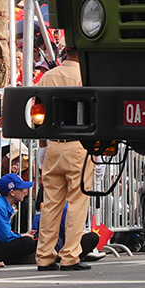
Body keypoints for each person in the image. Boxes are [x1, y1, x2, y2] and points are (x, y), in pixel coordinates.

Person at [34, 43, 94, 272]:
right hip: (79, 144)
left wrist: (42, 146)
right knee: (78, 202)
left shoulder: (47, 77)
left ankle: (44, 256)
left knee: (50, 204)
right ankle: (70, 255)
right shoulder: (85, 77)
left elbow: (39, 113)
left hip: (53, 145)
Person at [0, 174, 39, 265]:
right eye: (22, 189)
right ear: (12, 192)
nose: (25, 191)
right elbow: (6, 237)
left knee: (31, 241)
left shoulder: (2, 204)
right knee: (27, 242)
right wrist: (23, 236)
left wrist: (23, 235)